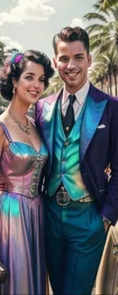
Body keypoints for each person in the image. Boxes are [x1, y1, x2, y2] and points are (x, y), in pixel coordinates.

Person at [35, 27, 118, 295]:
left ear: (89, 59)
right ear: (55, 62)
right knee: (56, 287)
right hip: (51, 215)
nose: (71, 65)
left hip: (88, 217)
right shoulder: (43, 107)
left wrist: (104, 219)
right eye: (64, 58)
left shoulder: (111, 106)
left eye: (78, 57)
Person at [0, 50, 54, 295]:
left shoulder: (35, 125)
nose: (37, 85)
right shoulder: (1, 126)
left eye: (41, 79)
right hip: (9, 217)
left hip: (37, 213)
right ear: (14, 82)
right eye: (30, 77)